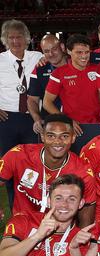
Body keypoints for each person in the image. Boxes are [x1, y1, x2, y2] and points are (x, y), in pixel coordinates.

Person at [0, 113, 96, 227]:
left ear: (73, 137)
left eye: (64, 136)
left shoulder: (83, 170)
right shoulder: (19, 154)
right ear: (42, 136)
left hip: (60, 229)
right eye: (51, 136)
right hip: (23, 224)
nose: (57, 141)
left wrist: (82, 238)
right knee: (8, 245)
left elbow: (88, 206)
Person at [0, 19, 44, 155]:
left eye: (19, 37)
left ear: (26, 39)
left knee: (32, 158)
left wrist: (47, 62)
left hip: (33, 117)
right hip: (6, 118)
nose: (15, 41)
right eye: (11, 37)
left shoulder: (39, 57)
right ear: (5, 40)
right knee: (6, 159)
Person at [44, 34, 100, 126]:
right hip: (71, 126)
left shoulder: (99, 70)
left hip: (96, 124)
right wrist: (66, 120)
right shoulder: (58, 73)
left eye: (87, 52)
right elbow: (47, 102)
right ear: (69, 51)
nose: (84, 56)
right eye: (79, 52)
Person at [27, 35, 66, 134]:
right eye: (46, 51)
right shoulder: (39, 69)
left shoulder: (76, 63)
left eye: (54, 49)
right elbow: (32, 100)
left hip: (79, 122)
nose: (51, 54)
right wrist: (37, 119)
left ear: (62, 47)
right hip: (50, 125)